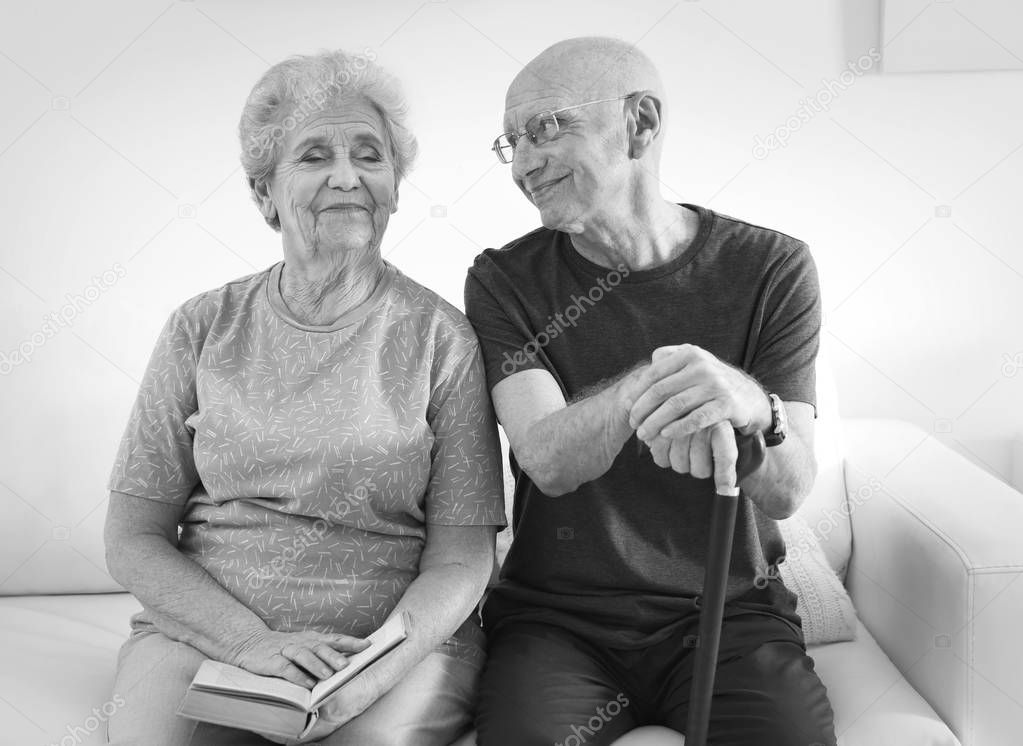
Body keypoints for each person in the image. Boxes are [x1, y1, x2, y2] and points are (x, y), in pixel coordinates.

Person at [103, 49, 506, 746]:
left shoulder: (443, 337)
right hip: (206, 636)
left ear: (394, 186)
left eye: (369, 156)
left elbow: (461, 558)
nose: (346, 177)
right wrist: (247, 642)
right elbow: (132, 538)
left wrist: (381, 669)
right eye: (314, 156)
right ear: (265, 192)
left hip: (386, 648)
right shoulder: (201, 326)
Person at [464, 37, 838, 746]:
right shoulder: (503, 280)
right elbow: (547, 458)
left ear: (639, 122)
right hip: (557, 622)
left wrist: (749, 401)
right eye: (509, 143)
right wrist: (656, 381)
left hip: (728, 617)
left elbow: (788, 492)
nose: (522, 164)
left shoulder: (772, 268)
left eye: (546, 128)